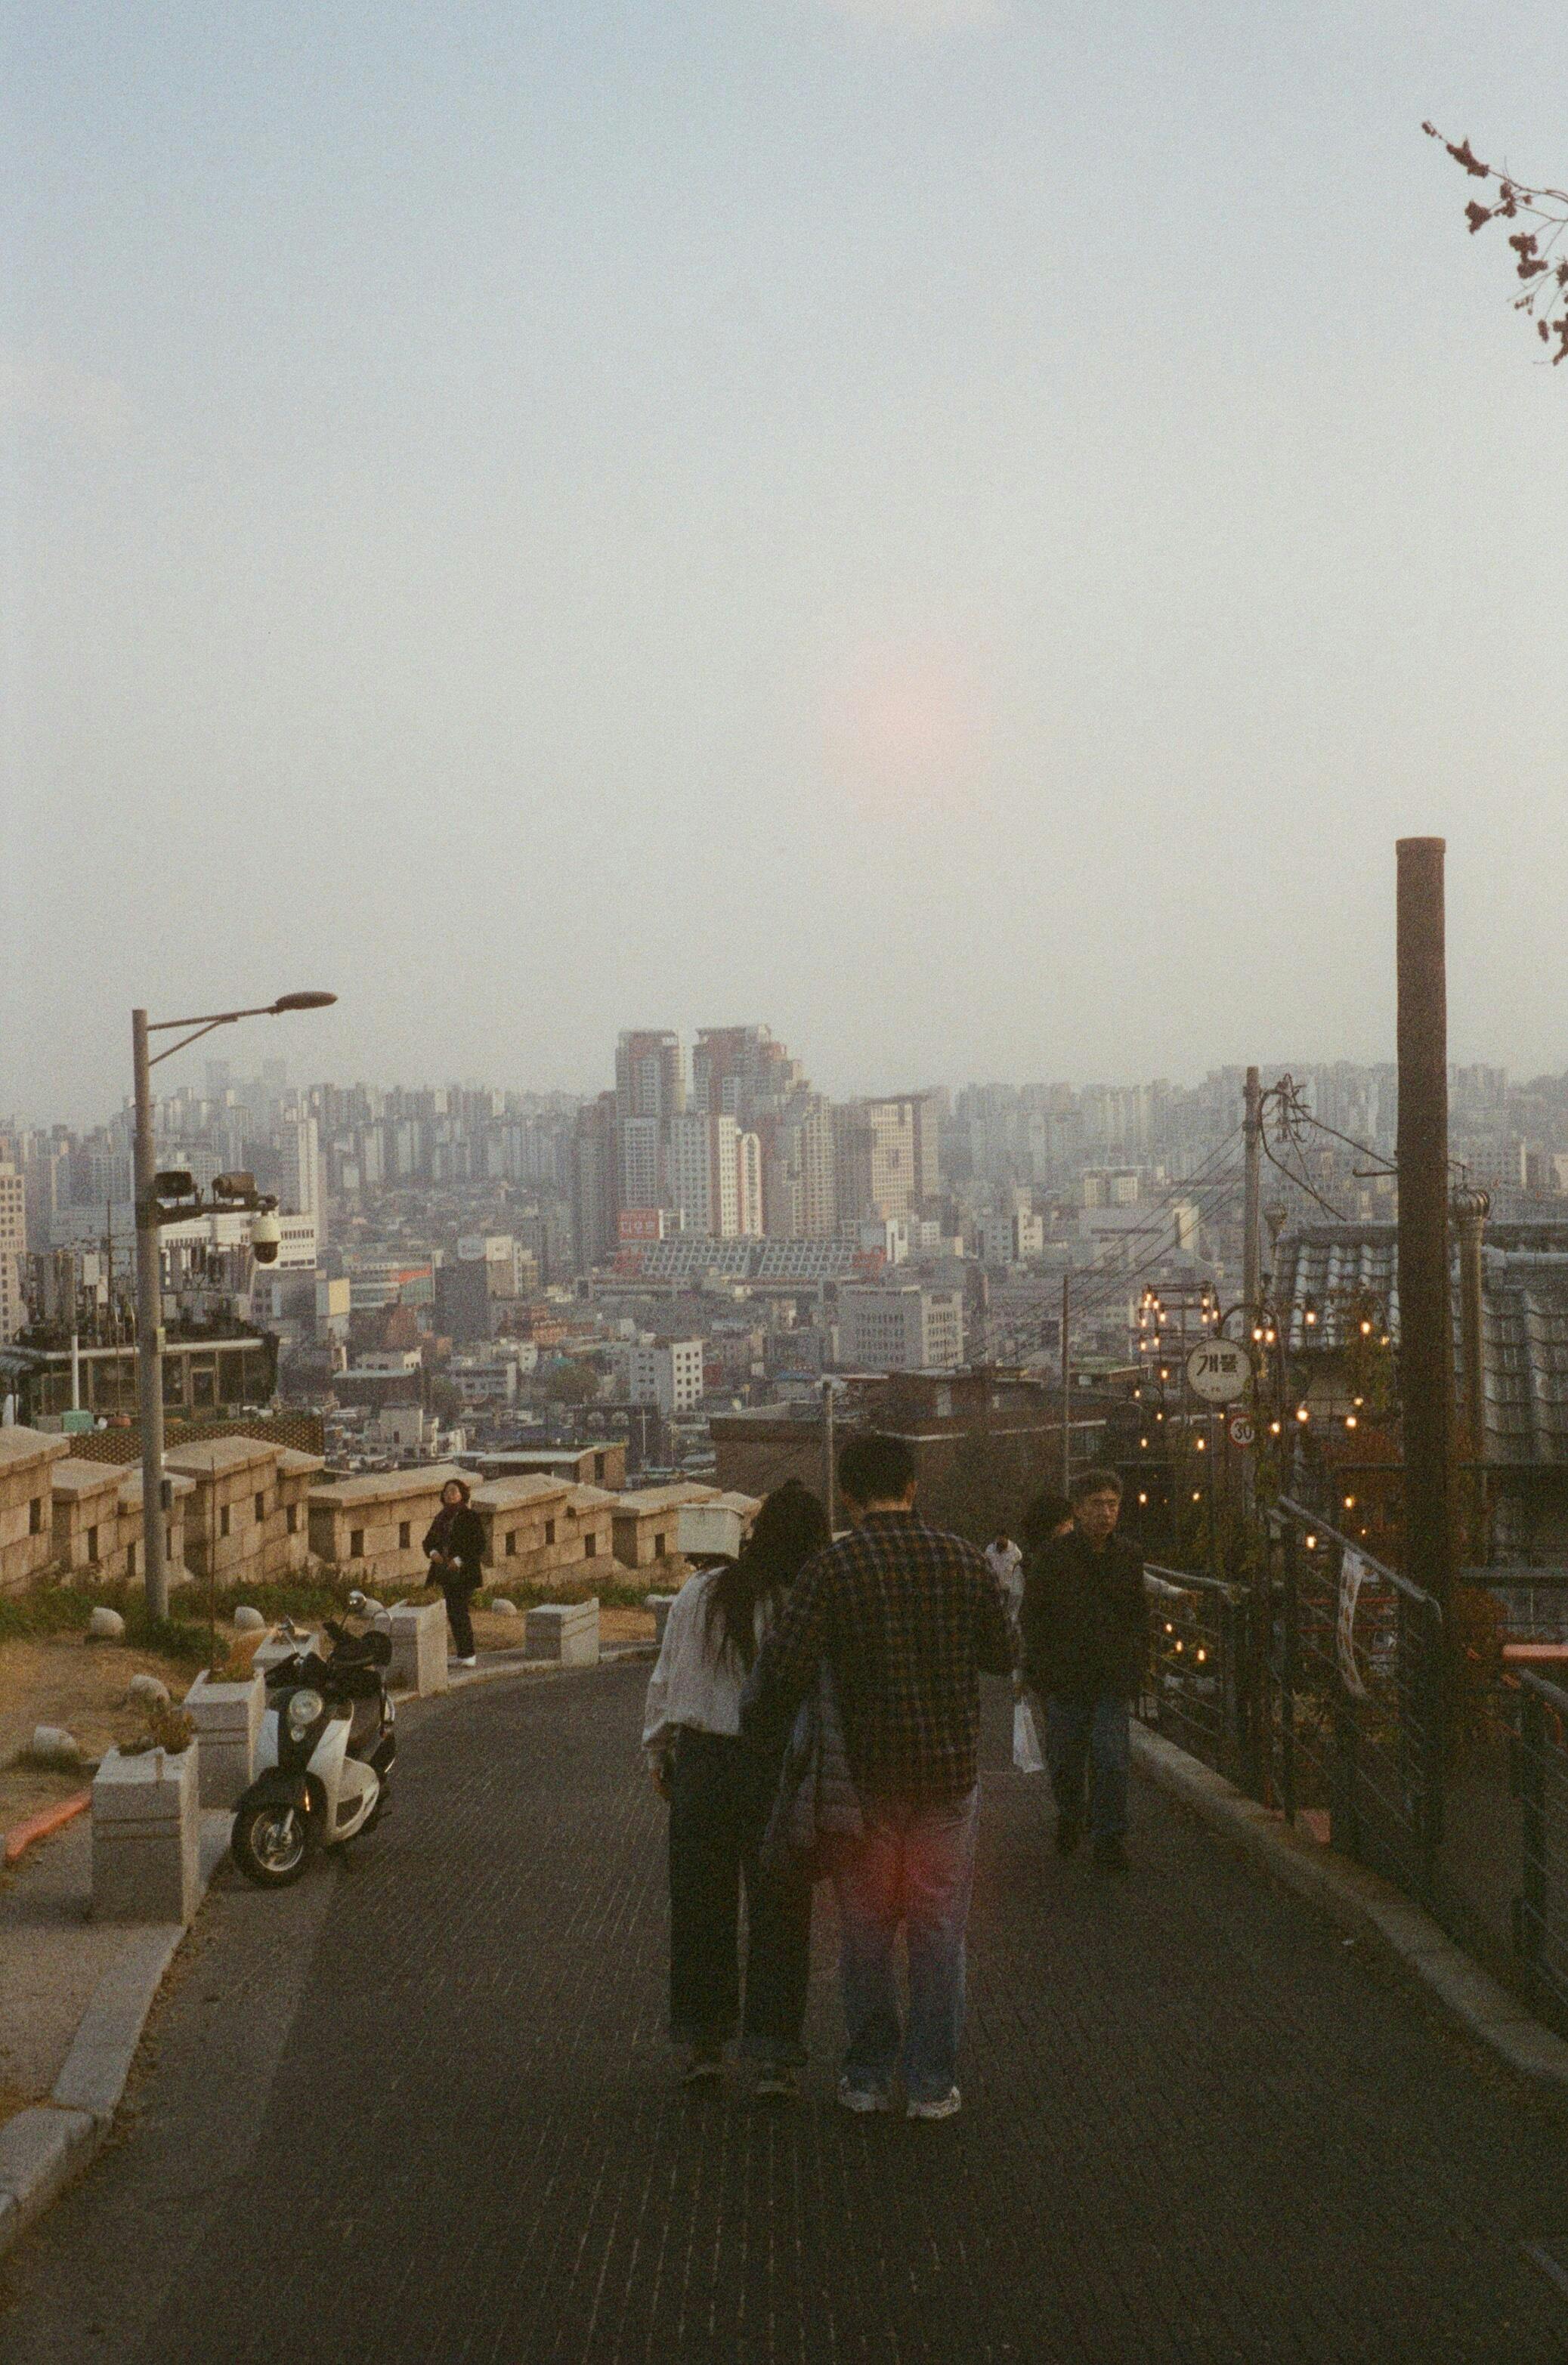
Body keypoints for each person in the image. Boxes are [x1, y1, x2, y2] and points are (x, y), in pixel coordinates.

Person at [741, 1433, 1011, 2124]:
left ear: (847, 1495)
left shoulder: (832, 1567)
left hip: (861, 1784)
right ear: (913, 1487)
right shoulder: (961, 1557)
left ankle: (865, 2078)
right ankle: (929, 2086)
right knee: (938, 1934)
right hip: (948, 1778)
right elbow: (1002, 1653)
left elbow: (781, 1670)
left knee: (863, 1936)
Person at [642, 1479, 830, 2096]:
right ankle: (773, 2057)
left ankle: (704, 2046)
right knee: (781, 1911)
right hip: (774, 1767)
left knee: (700, 1907)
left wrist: (657, 1749)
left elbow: (668, 1678)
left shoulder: (701, 1590)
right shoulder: (804, 1600)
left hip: (703, 1762)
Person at [1019, 1467, 1146, 1871]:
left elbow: (1137, 1615)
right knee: (1065, 1761)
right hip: (1066, 1678)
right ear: (1078, 1509)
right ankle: (1071, 1814)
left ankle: (1109, 1838)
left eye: (1113, 1505)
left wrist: (1134, 1665)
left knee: (1112, 1760)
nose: (1106, 1513)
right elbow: (1033, 1616)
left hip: (1111, 1677)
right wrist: (1042, 1670)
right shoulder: (1053, 1558)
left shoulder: (1128, 1556)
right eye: (1097, 1505)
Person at [422, 1476, 484, 1669]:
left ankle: (468, 1654)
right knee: (450, 1611)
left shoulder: (470, 1516)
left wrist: (458, 1561)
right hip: (443, 1572)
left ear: (462, 1495)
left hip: (464, 1573)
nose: (450, 1495)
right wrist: (433, 1553)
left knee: (459, 1611)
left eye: (454, 1491)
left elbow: (478, 1544)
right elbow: (428, 1541)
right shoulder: (440, 1517)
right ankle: (460, 1653)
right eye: (447, 1491)